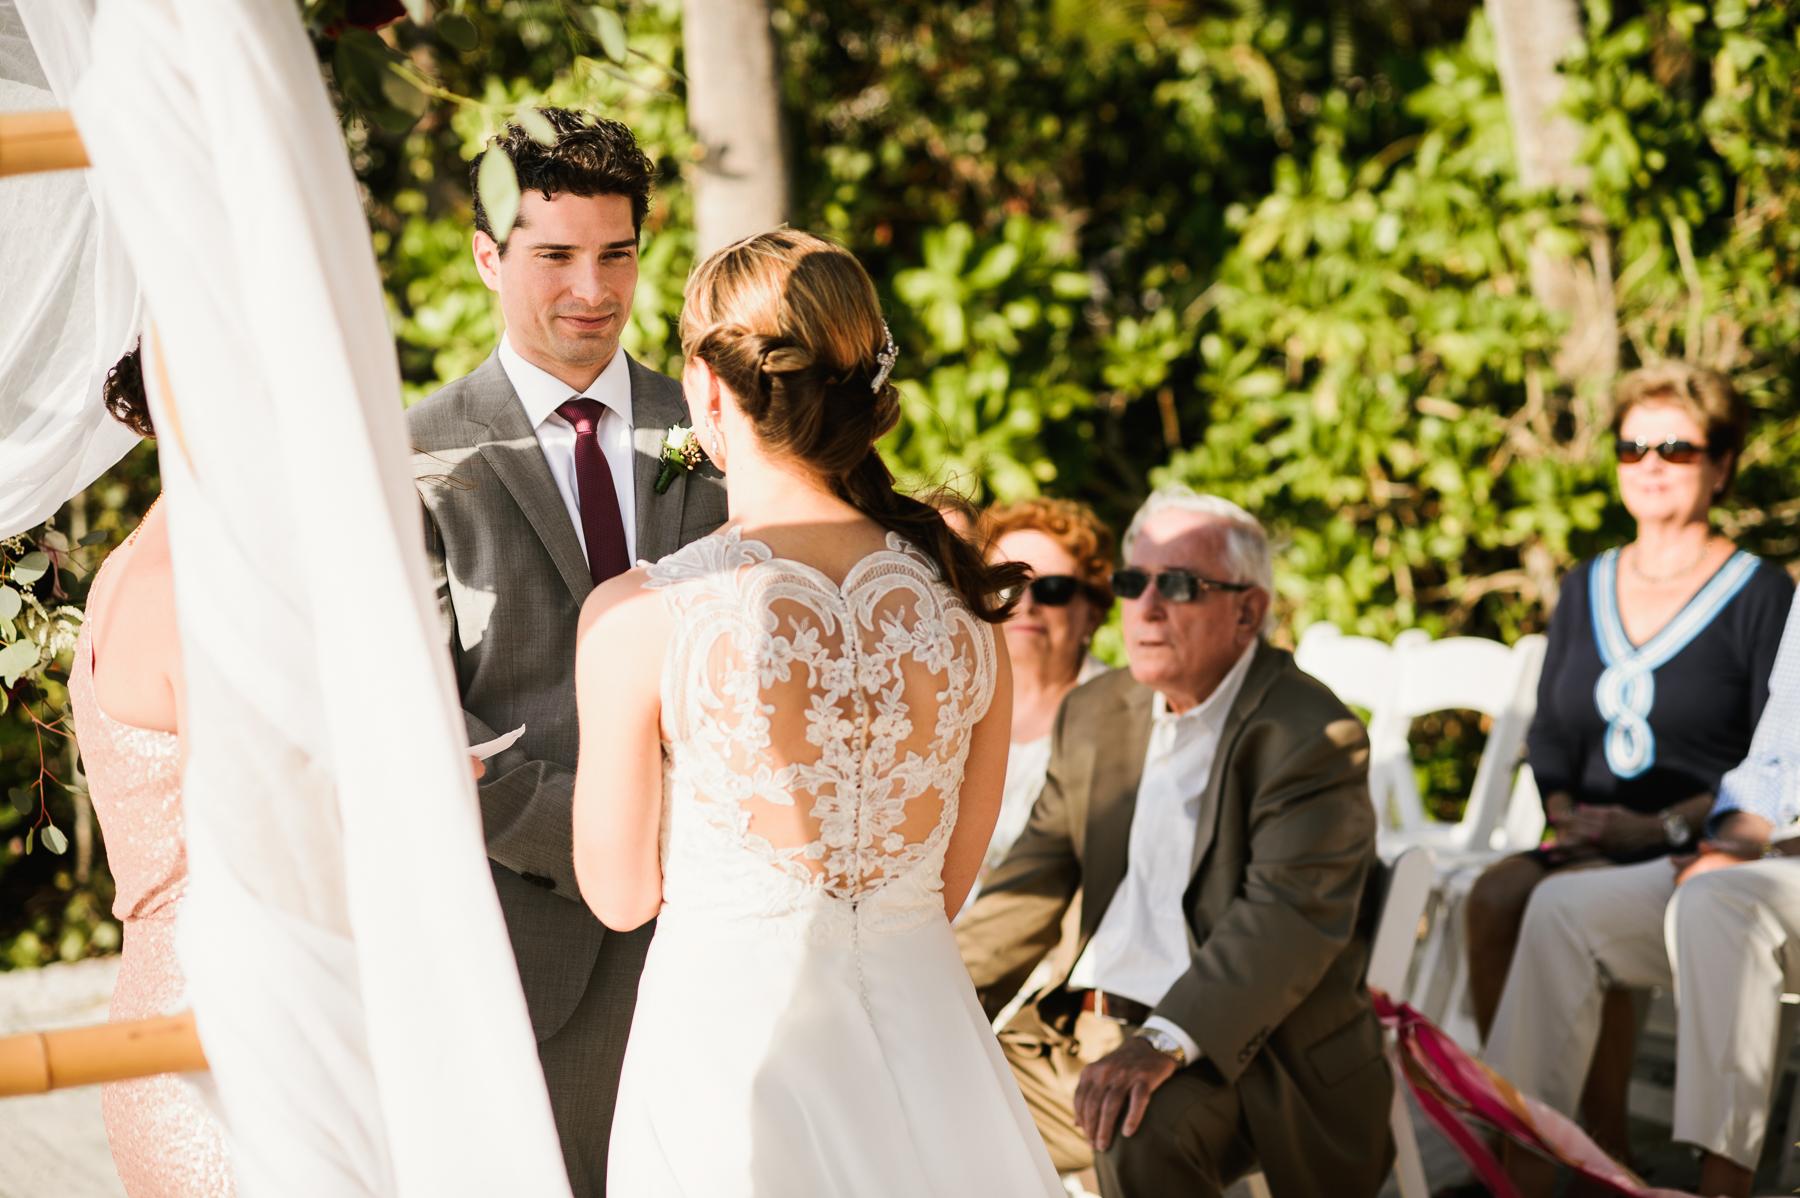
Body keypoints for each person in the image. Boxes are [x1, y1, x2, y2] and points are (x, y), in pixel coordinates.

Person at [568, 228, 1060, 1197]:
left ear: (709, 390)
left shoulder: (641, 617)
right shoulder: (967, 612)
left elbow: (621, 895)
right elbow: (951, 884)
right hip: (935, 1056)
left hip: (733, 1063)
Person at [406, 110, 727, 1197]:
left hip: (732, 928)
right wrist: (625, 837)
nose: (593, 289)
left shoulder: (727, 428)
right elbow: (418, 726)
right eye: (555, 256)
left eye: (617, 254)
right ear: (489, 255)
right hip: (534, 948)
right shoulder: (415, 455)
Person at [958, 486, 1392, 1198]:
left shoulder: (1312, 735)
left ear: (1248, 611)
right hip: (1080, 1036)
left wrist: (1161, 1041)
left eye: (1181, 585)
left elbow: (1284, 922)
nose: (1149, 607)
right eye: (1134, 583)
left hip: (1237, 1052)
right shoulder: (1097, 712)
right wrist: (928, 996)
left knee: (1136, 1133)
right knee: (924, 1092)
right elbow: (1026, 891)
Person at [1468, 363, 1791, 1158]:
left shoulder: (1761, 595)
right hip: (1588, 832)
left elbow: (1774, 755)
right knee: (1490, 895)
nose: (1650, 463)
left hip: (1693, 839)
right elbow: (1549, 731)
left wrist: (1658, 828)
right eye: (1632, 447)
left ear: (1720, 465)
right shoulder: (1586, 584)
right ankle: (1523, 1128)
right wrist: (1562, 810)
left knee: (1570, 906)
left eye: (1677, 448)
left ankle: (1588, 1150)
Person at [1486, 589, 1800, 1198]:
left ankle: (1721, 1184)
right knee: (1561, 907)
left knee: (1720, 903)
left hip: (1759, 889)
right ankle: (1521, 1174)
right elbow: (1774, 761)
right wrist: (1728, 844)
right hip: (1768, 861)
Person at [69, 344, 235, 1198]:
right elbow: (266, 840)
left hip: (156, 1014)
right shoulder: (201, 585)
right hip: (222, 1042)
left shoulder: (125, 565)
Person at [970, 498, 1113, 906]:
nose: (1026, 606)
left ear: (1092, 612)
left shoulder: (1123, 716)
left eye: (1052, 589)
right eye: (1005, 584)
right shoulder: (951, 697)